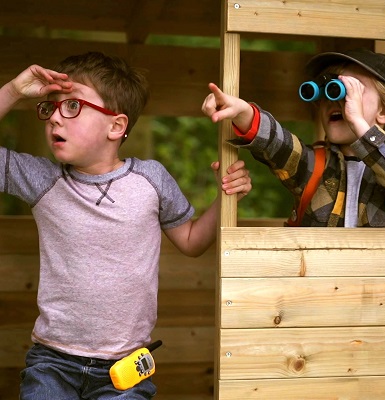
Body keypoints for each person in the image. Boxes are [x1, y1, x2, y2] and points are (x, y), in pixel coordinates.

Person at [0, 52, 252, 399]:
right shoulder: (42, 180)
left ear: (116, 126)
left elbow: (193, 242)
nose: (55, 118)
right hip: (52, 364)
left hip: (126, 371)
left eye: (72, 106)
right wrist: (13, 90)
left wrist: (227, 197)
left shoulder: (151, 179)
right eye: (51, 107)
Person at [202, 48, 385, 227]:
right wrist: (243, 112)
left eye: (351, 90)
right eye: (329, 91)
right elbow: (277, 144)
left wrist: (358, 121)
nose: (336, 101)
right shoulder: (315, 166)